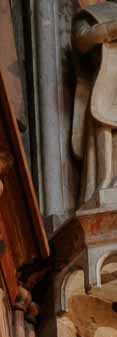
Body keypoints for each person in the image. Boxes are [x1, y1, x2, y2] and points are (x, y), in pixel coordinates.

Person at [74, 4, 117, 207]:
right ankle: (105, 182)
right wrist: (111, 29)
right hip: (106, 86)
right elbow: (82, 40)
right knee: (104, 129)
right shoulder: (95, 13)